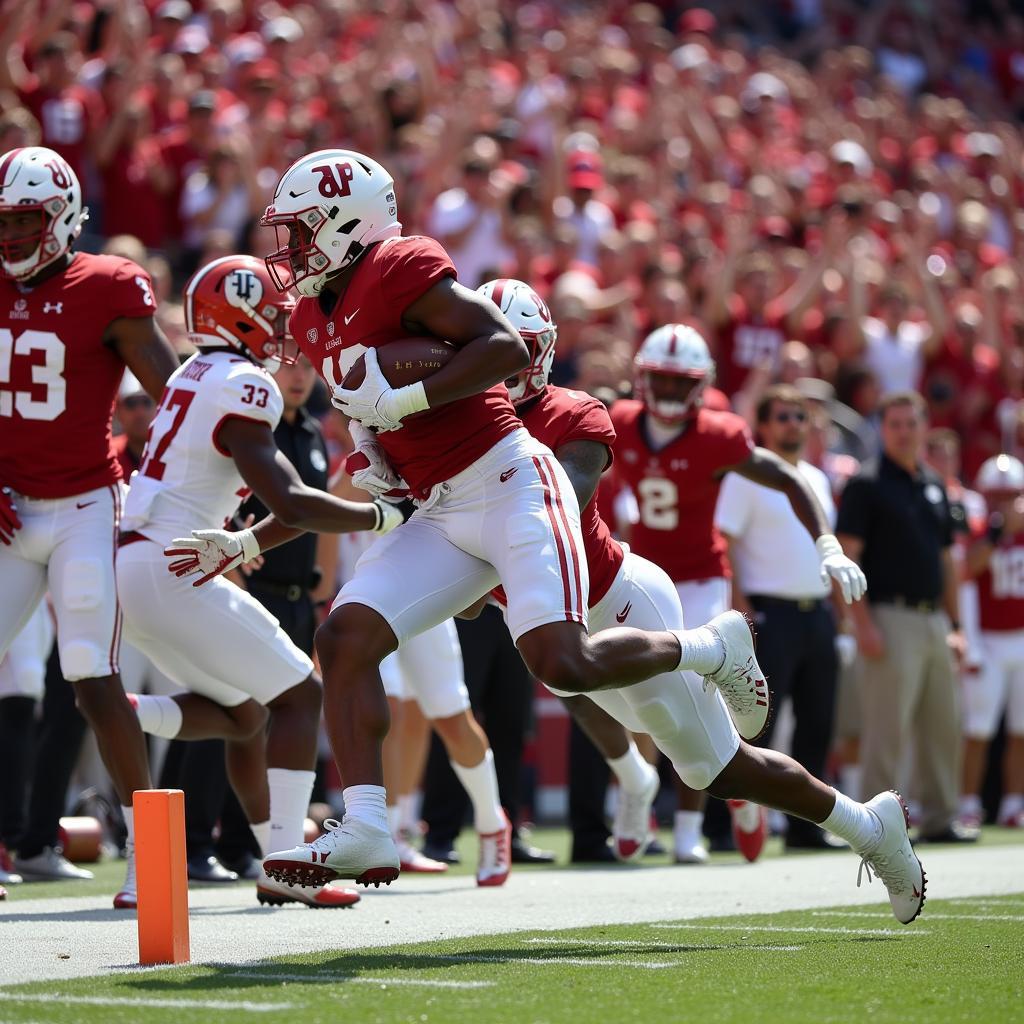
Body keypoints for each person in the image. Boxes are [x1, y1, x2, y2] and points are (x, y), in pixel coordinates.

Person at [171, 150, 924, 925]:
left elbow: (493, 348)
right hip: (449, 509)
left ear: (349, 225)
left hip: (519, 496)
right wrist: (376, 461)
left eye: (303, 232)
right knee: (347, 635)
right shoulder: (308, 314)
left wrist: (409, 399)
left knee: (648, 723)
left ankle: (772, 717)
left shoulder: (403, 268)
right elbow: (367, 416)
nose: (291, 252)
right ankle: (367, 822)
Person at [116, 254, 404, 910]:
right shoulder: (244, 384)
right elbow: (294, 502)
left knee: (247, 715)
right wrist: (379, 513)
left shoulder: (192, 372)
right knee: (301, 695)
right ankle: (287, 867)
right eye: (271, 315)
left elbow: (253, 494)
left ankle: (127, 714)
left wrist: (240, 533)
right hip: (174, 564)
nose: (280, 328)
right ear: (240, 316)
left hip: (139, 564)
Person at [0, 146, 180, 906]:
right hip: (9, 511)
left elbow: (175, 397)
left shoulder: (106, 286)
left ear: (65, 217)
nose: (11, 236)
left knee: (91, 676)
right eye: (2, 221)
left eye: (26, 220)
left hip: (81, 507)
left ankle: (148, 847)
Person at [836, 391, 976, 844]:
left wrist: (955, 626)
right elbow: (848, 559)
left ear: (923, 426)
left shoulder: (934, 483)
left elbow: (946, 562)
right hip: (887, 614)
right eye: (894, 423)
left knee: (943, 724)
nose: (903, 431)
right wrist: (861, 624)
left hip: (933, 618)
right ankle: (879, 825)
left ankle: (939, 817)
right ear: (882, 429)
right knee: (886, 728)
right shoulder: (867, 483)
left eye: (910, 422)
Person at [715, 384, 843, 849]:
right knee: (752, 723)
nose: (793, 425)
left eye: (799, 417)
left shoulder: (817, 478)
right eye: (784, 417)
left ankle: (805, 826)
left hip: (816, 612)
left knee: (817, 719)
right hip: (768, 613)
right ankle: (732, 824)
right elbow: (723, 541)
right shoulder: (746, 476)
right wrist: (740, 604)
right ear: (765, 425)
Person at [962, 455, 1024, 828]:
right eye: (997, 496)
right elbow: (971, 565)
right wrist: (998, 532)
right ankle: (968, 801)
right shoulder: (982, 529)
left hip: (1021, 637)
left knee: (1021, 731)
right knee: (979, 730)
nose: (1004, 502)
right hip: (988, 640)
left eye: (1011, 495)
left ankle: (1014, 802)